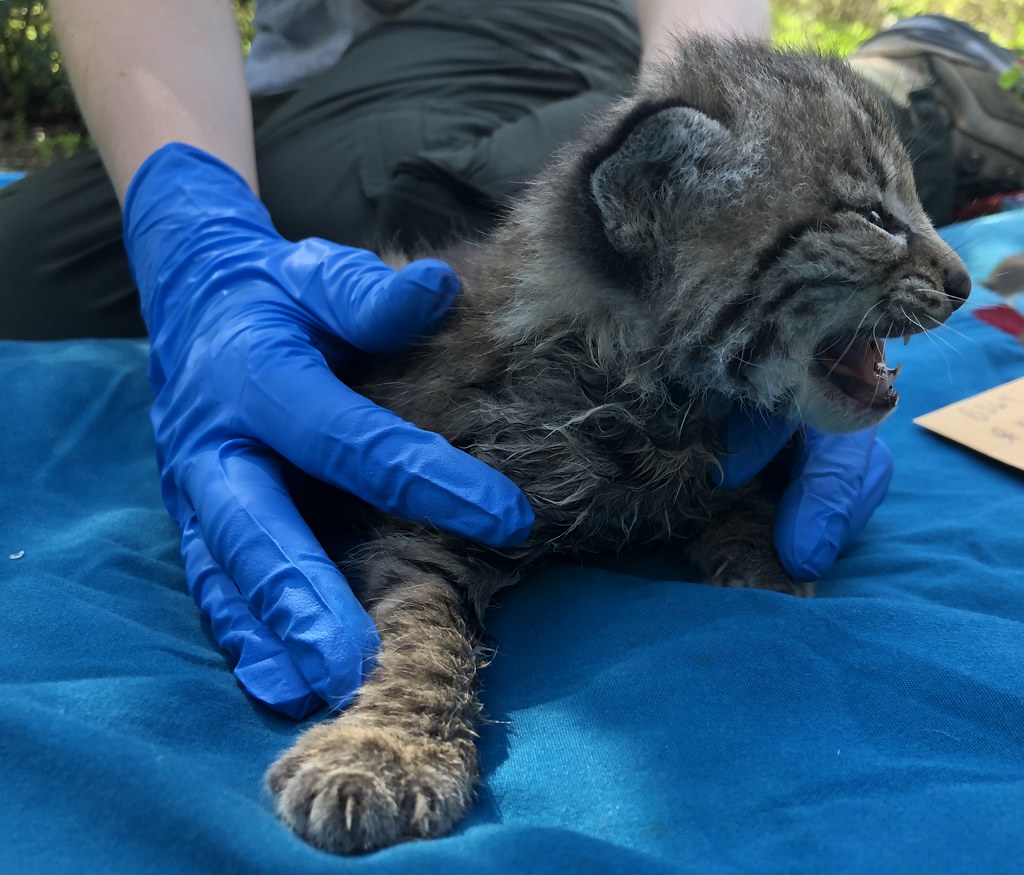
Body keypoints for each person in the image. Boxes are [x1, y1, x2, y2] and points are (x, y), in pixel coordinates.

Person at [0, 1, 1012, 719]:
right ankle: (893, 106)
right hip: (275, 78)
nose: (950, 286)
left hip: (543, 24)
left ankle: (910, 92)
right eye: (884, 220)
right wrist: (192, 235)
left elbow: (691, 124)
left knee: (413, 184)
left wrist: (738, 152)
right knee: (23, 272)